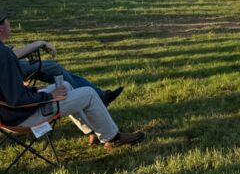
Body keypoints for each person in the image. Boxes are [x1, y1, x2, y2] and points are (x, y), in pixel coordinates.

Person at [0, 9, 143, 148]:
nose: (10, 23)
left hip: (12, 114)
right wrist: (49, 96)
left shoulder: (3, 53)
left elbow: (10, 92)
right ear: (1, 28)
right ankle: (112, 138)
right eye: (7, 21)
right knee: (89, 93)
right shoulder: (4, 55)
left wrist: (35, 90)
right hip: (22, 117)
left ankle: (93, 131)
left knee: (66, 86)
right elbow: (16, 100)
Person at [12, 37, 123, 104]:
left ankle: (100, 95)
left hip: (11, 67)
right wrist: (39, 43)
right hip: (11, 69)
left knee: (61, 72)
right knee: (55, 69)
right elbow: (9, 55)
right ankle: (98, 97)